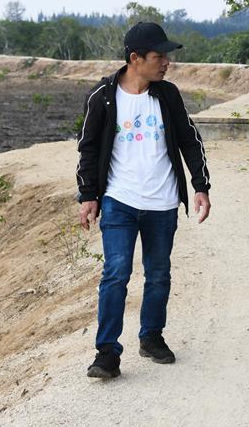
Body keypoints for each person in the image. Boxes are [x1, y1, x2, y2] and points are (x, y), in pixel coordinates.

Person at [76, 21, 211, 379]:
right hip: (119, 201)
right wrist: (88, 195)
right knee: (116, 272)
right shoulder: (102, 97)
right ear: (135, 58)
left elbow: (189, 140)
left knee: (159, 274)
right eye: (158, 56)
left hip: (162, 202)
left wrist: (201, 186)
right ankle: (107, 352)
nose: (166, 62)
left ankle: (151, 337)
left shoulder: (167, 95)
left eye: (167, 56)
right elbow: (87, 149)